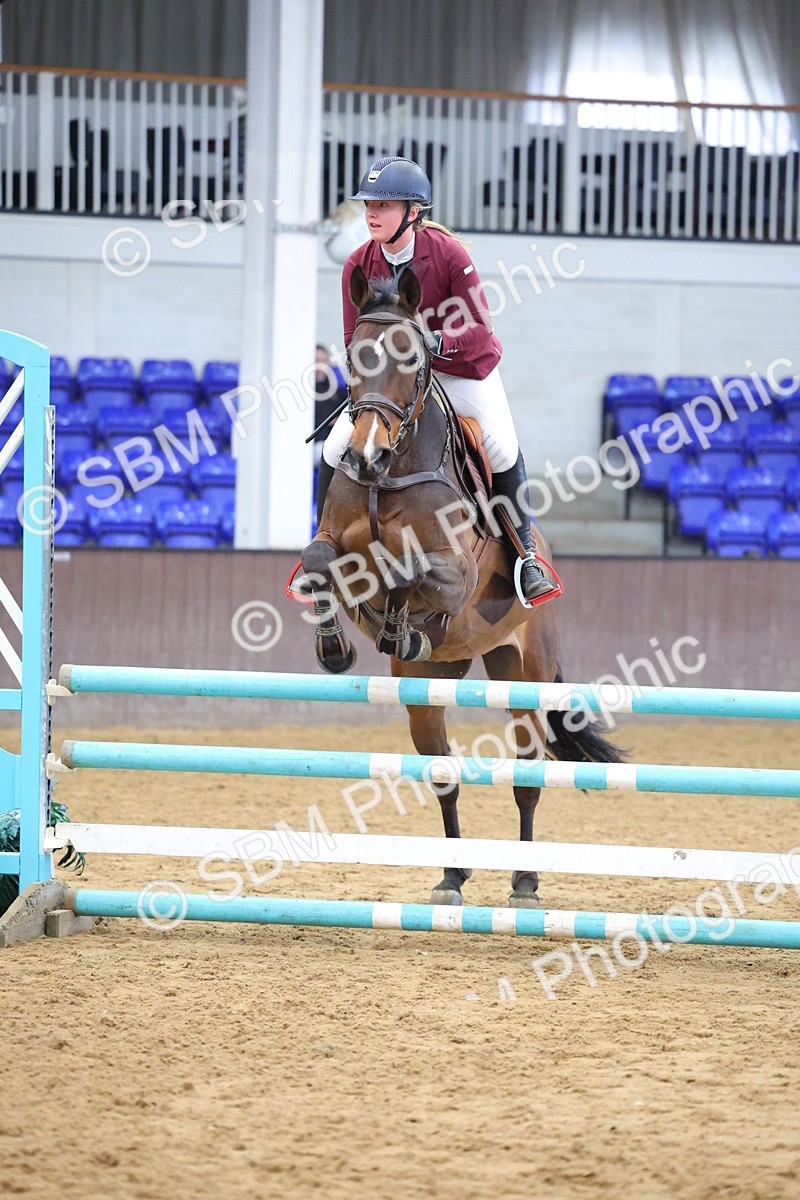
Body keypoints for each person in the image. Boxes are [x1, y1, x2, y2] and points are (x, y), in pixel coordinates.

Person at [317, 155, 556, 602]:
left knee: (501, 449)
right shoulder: (357, 264)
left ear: (413, 211)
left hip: (461, 368)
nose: (371, 212)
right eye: (369, 204)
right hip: (394, 382)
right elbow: (354, 340)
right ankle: (321, 547)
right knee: (334, 446)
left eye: (384, 206)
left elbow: (481, 329)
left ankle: (525, 557)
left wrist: (435, 342)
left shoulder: (448, 254)